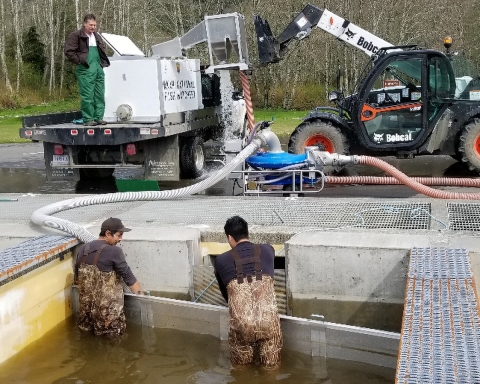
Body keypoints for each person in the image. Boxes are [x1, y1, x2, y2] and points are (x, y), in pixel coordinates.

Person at [214, 215, 283, 367]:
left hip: (241, 323)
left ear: (230, 237)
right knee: (271, 370)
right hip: (268, 321)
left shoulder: (220, 260)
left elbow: (227, 296)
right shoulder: (267, 249)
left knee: (241, 371)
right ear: (247, 233)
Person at [74, 217, 143, 337]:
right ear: (107, 233)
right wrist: (142, 296)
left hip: (86, 314)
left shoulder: (83, 249)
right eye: (119, 235)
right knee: (114, 347)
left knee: (87, 342)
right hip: (108, 317)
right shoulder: (114, 251)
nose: (121, 239)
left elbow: (77, 278)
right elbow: (128, 277)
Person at [64, 13, 110, 127]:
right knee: (87, 94)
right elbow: (69, 51)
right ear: (84, 24)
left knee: (100, 93)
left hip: (98, 68)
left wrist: (102, 64)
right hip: (85, 68)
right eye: (90, 25)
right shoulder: (76, 35)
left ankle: (99, 117)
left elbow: (102, 50)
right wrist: (80, 62)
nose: (93, 27)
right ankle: (88, 118)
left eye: (94, 25)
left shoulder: (97, 36)